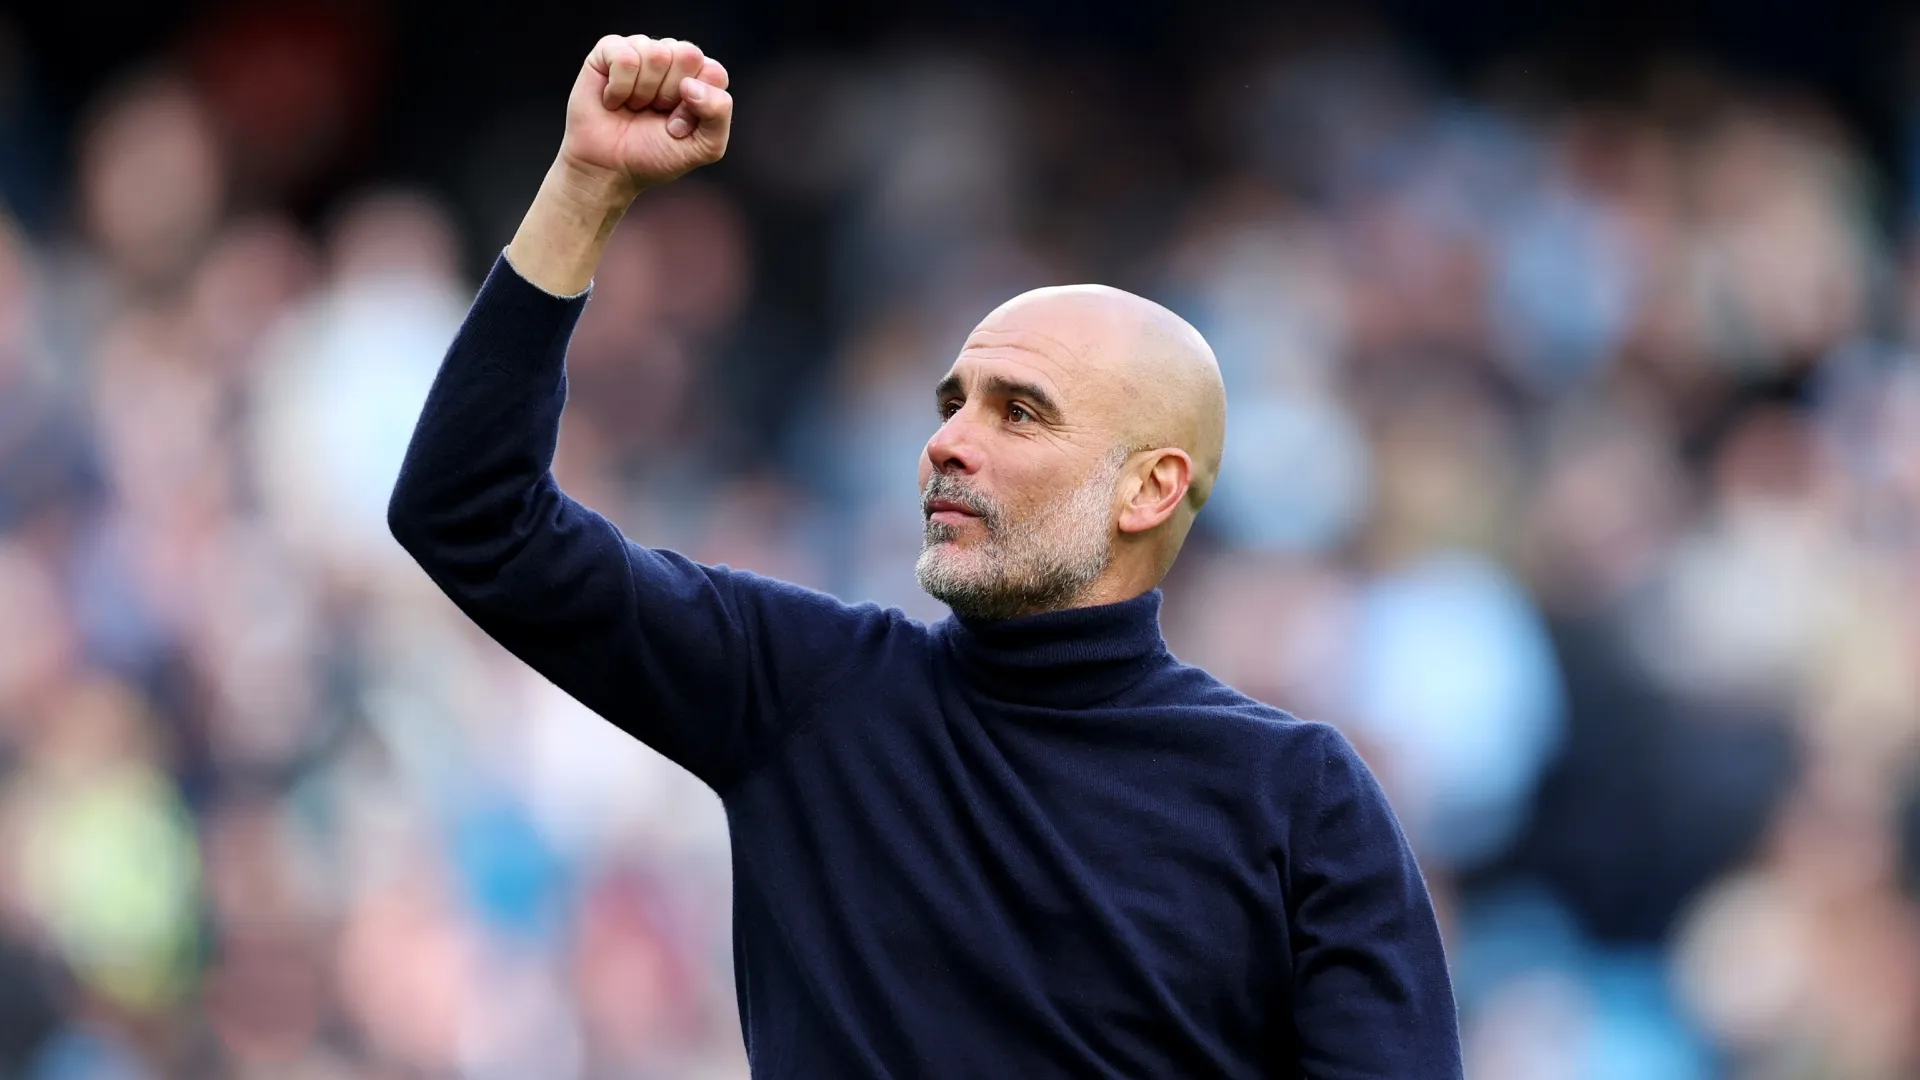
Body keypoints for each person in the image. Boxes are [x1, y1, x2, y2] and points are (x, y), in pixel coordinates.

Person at [388, 32, 1462, 1078]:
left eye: (1019, 412)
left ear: (1151, 487)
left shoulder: (1298, 798)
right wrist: (585, 188)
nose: (948, 439)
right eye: (952, 403)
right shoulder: (802, 691)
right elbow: (469, 515)